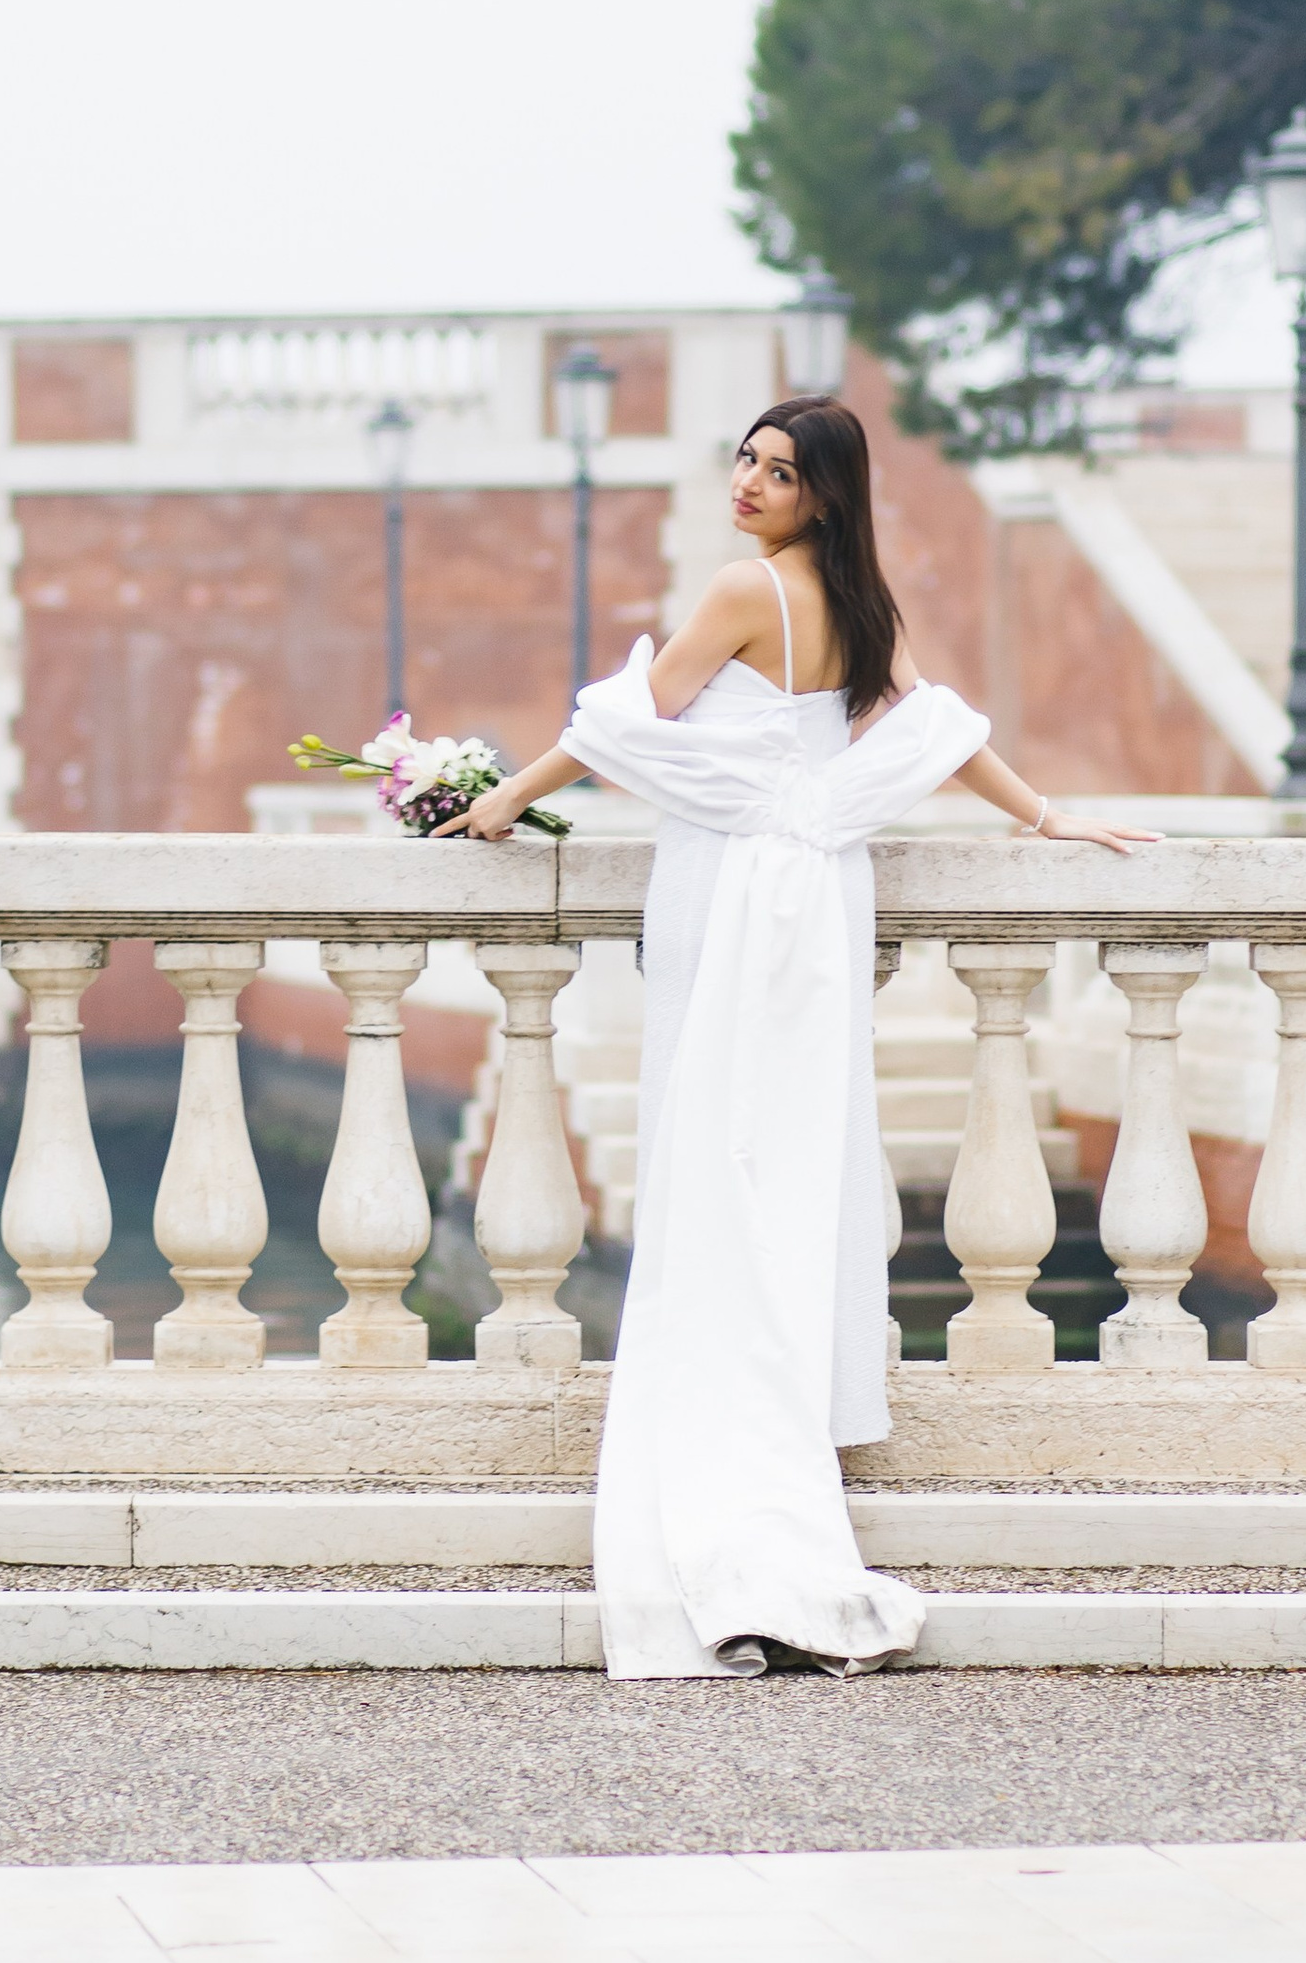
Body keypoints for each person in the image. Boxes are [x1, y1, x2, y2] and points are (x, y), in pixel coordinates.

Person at [440, 395, 1147, 1681]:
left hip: (728, 898)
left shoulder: (740, 592)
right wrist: (1044, 817)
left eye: (778, 471)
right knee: (780, 1150)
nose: (751, 483)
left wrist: (500, 799)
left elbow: (618, 732)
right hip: (813, 907)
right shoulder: (865, 609)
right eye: (745, 460)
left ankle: (719, 1459)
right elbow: (940, 735)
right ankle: (773, 1441)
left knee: (715, 1146)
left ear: (821, 494)